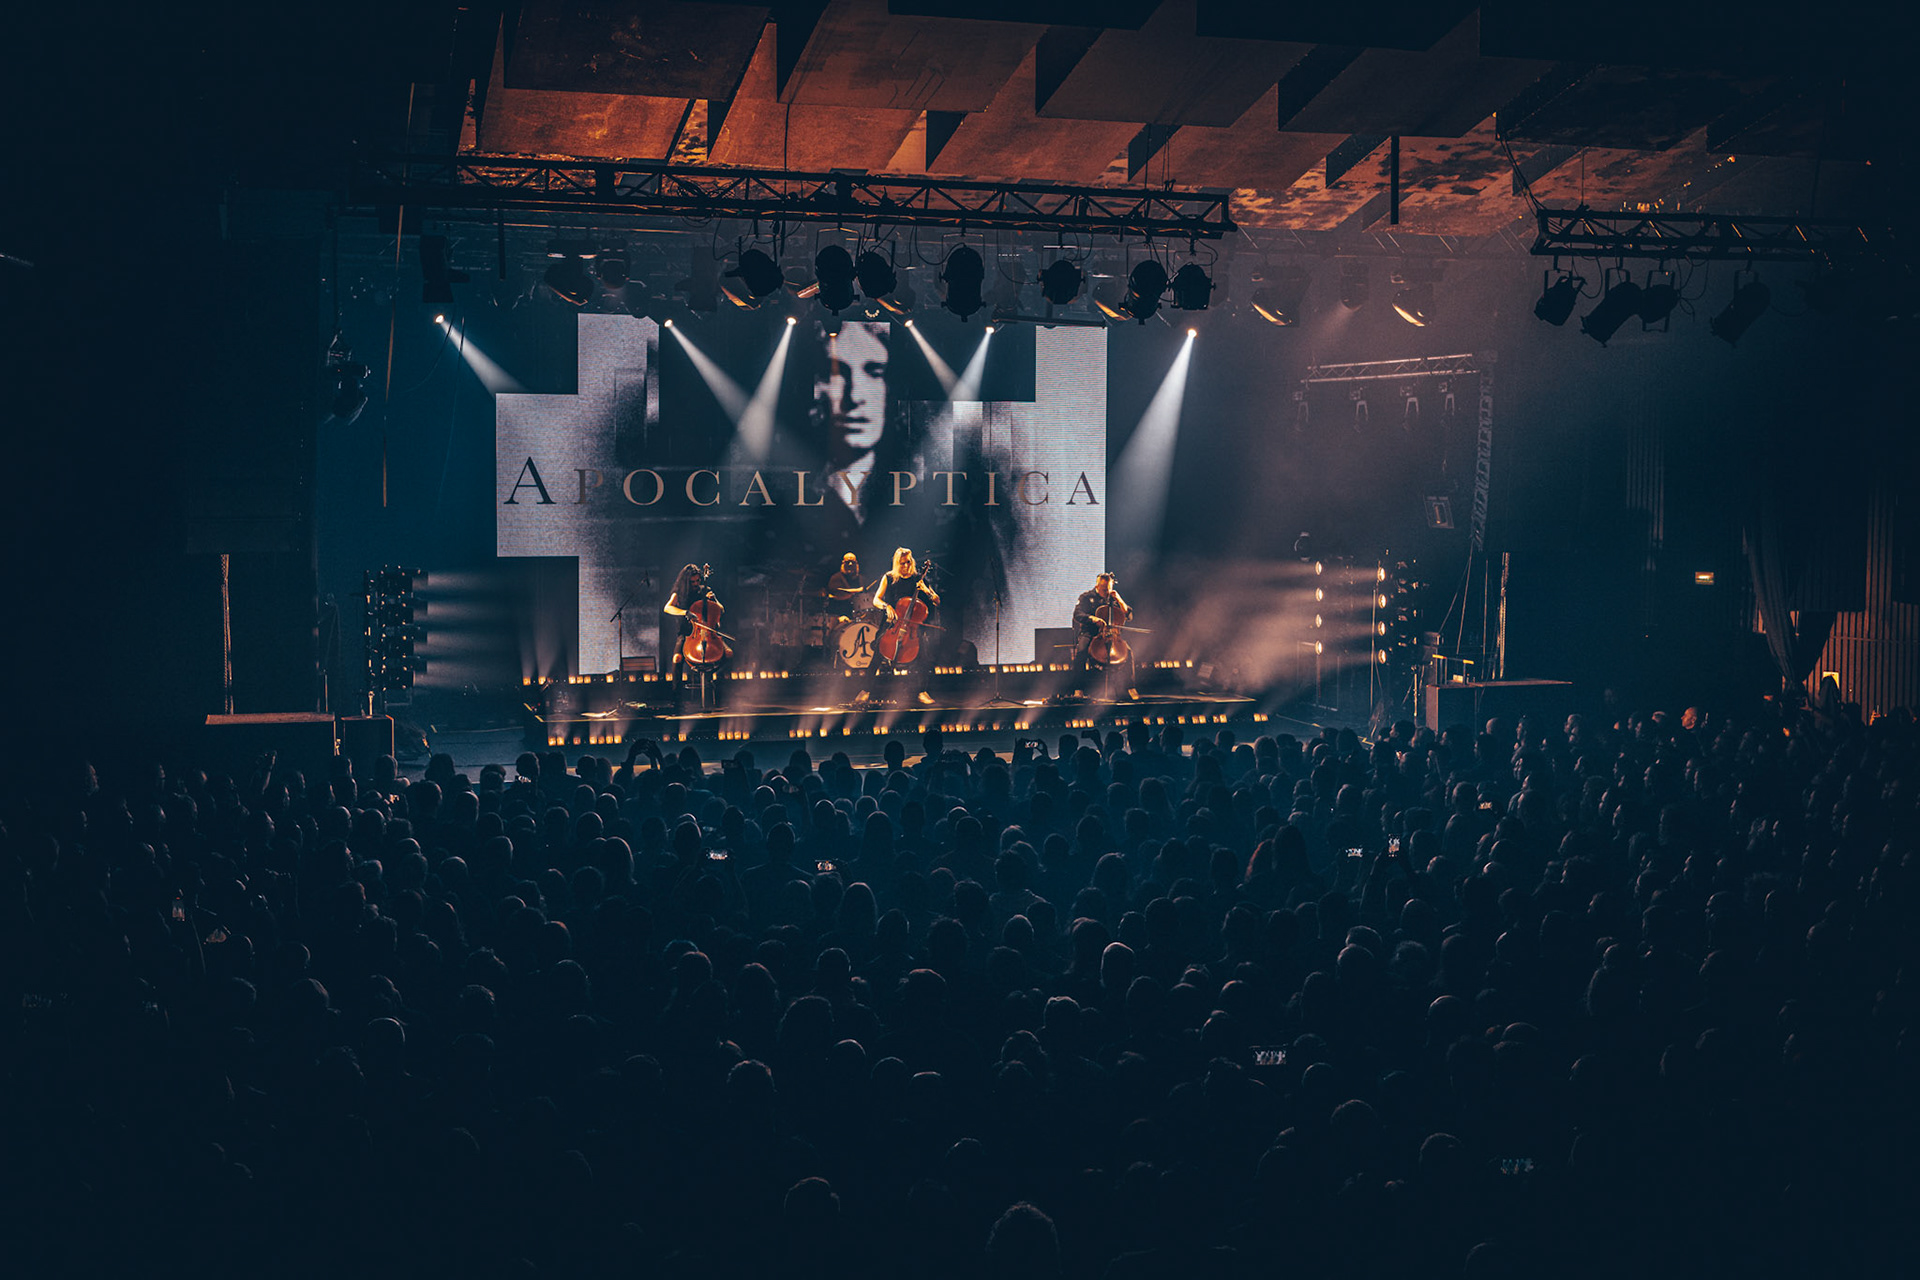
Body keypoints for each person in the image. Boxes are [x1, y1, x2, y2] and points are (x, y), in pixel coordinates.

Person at [858, 546, 940, 707]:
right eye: (902, 563)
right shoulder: (889, 578)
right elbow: (876, 600)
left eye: (908, 562)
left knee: (924, 657)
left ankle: (921, 691)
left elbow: (937, 601)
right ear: (897, 563)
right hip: (891, 625)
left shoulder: (919, 579)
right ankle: (865, 691)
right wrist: (887, 606)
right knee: (877, 657)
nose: (906, 566)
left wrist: (926, 590)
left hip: (912, 628)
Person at [662, 562, 729, 708]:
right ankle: (676, 698)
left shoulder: (705, 590)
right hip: (687, 633)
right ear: (686, 581)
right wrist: (685, 612)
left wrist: (715, 600)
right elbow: (667, 608)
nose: (696, 584)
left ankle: (711, 683)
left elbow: (721, 610)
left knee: (727, 654)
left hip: (707, 632)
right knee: (677, 658)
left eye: (698, 581)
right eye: (692, 582)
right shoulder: (678, 593)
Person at [1071, 571, 1133, 699]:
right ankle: (1078, 689)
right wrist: (1093, 619)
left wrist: (1119, 599)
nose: (1107, 592)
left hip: (1111, 634)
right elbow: (1078, 614)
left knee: (1128, 652)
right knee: (1081, 652)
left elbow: (1129, 615)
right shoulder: (1086, 597)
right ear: (1097, 586)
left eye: (1109, 589)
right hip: (1090, 632)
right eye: (1104, 589)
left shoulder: (1113, 599)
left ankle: (1130, 687)